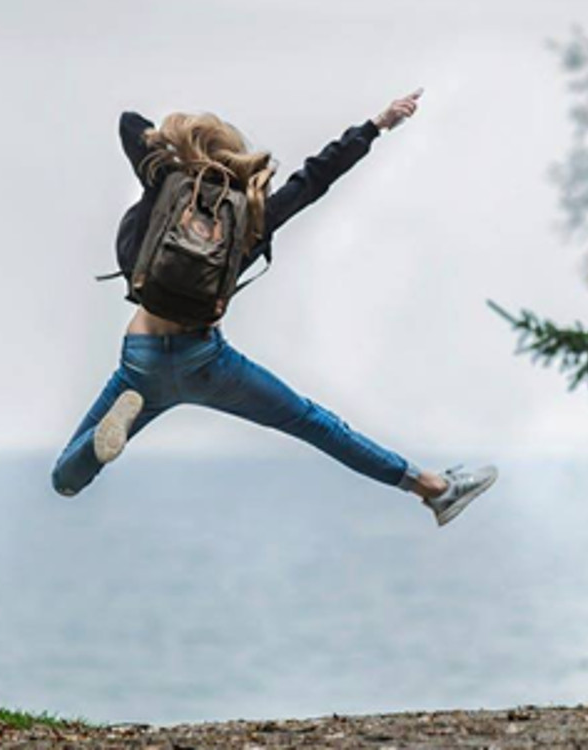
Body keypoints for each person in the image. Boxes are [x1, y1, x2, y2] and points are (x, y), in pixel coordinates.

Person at [50, 89, 497, 527]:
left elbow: (129, 123)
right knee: (316, 424)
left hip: (142, 361)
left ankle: (96, 450)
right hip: (206, 362)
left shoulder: (164, 181)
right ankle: (435, 490)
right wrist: (376, 126)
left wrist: (176, 149)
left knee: (65, 479)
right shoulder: (251, 216)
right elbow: (316, 178)